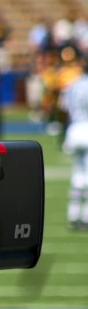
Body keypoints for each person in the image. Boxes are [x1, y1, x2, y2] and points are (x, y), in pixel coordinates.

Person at [60, 60, 88, 229]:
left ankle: (73, 213)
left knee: (77, 171)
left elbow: (63, 108)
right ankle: (85, 216)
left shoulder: (73, 84)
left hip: (74, 129)